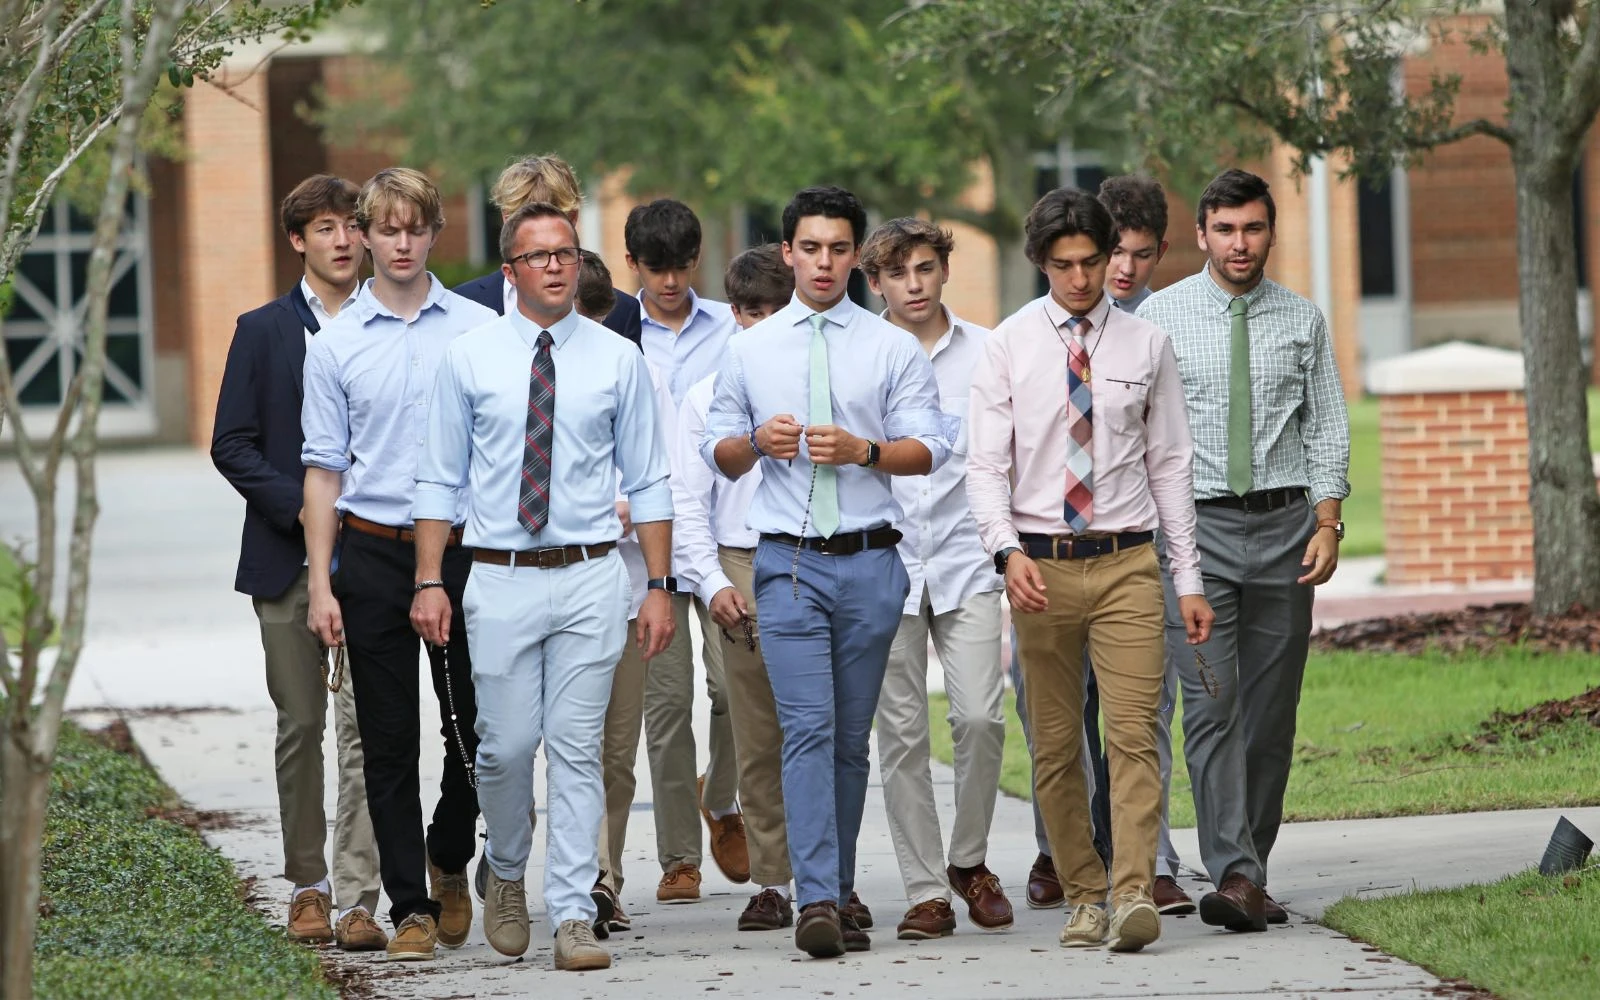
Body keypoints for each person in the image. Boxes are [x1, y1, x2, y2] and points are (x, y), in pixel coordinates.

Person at [412, 201, 676, 972]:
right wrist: (430, 579)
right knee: (505, 748)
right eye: (539, 256)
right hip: (498, 577)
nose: (557, 265)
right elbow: (438, 478)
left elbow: (651, 479)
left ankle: (570, 912)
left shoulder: (617, 358)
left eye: (566, 252)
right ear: (511, 271)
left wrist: (657, 584)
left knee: (575, 749)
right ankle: (505, 867)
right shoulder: (469, 356)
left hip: (593, 572)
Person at [702, 186, 951, 959]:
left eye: (839, 249)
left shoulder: (890, 347)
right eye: (810, 248)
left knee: (848, 741)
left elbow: (930, 447)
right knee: (806, 730)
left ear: (856, 256)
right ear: (788, 254)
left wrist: (863, 450)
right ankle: (815, 899)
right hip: (788, 564)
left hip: (872, 562)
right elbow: (719, 451)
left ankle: (837, 889)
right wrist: (755, 441)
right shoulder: (749, 348)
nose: (824, 262)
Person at [966, 187, 1213, 953]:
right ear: (1042, 263)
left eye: (1092, 262)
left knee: (1135, 734)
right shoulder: (1008, 345)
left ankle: (1134, 890)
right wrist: (1006, 553)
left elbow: (1171, 464)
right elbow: (983, 467)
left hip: (1127, 563)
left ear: (1111, 259)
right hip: (1039, 564)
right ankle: (1082, 891)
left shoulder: (1147, 346)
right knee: (1054, 743)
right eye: (1065, 265)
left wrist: (1189, 579)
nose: (1080, 279)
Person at [1136, 168, 1350, 933]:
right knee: (1212, 706)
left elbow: (1326, 426)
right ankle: (1234, 871)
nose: (1239, 243)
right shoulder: (1159, 318)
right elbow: (1144, 436)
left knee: (1269, 716)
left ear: (1269, 232)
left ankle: (1248, 872)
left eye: (1253, 229)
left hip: (1287, 532)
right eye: (1225, 230)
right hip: (1195, 537)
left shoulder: (1302, 320)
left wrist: (1328, 524)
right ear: (1200, 234)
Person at [301, 167, 496, 962]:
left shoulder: (478, 330)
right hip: (374, 555)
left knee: (478, 728)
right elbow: (322, 469)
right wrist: (321, 583)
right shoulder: (335, 344)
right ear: (367, 236)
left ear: (433, 232)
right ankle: (411, 905)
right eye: (387, 229)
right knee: (385, 741)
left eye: (416, 227)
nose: (402, 242)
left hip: (463, 555)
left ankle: (450, 848)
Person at [210, 174, 384, 952]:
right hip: (285, 563)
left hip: (378, 557)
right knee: (302, 725)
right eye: (324, 228)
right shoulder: (262, 330)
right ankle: (309, 885)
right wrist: (304, 509)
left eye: (352, 225)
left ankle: (360, 894)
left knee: (367, 731)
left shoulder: (397, 324)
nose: (343, 239)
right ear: (297, 240)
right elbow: (232, 444)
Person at [858, 218, 1011, 940]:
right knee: (902, 734)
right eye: (898, 274)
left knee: (981, 716)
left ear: (943, 270)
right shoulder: (859, 356)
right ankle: (926, 890)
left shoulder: (989, 351)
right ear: (877, 283)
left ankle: (969, 859)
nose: (913, 285)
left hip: (967, 557)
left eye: (924, 269)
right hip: (886, 564)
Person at [671, 243, 799, 932]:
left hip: (814, 557)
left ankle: (826, 875)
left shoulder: (820, 385)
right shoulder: (704, 398)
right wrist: (714, 579)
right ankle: (773, 881)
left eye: (773, 310)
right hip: (742, 560)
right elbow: (687, 500)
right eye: (748, 312)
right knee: (754, 726)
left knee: (818, 725)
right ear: (733, 315)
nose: (760, 323)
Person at [624, 199, 747, 902]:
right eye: (656, 268)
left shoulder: (733, 331)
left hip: (718, 534)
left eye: (681, 266)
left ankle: (722, 800)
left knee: (734, 688)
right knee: (665, 704)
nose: (670, 281)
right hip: (645, 546)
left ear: (697, 260)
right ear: (634, 264)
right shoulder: (614, 332)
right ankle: (679, 856)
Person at [453, 153, 642, 346]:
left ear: (573, 218)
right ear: (506, 220)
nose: (539, 235)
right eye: (527, 222)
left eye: (552, 222)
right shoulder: (463, 305)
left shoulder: (621, 311)